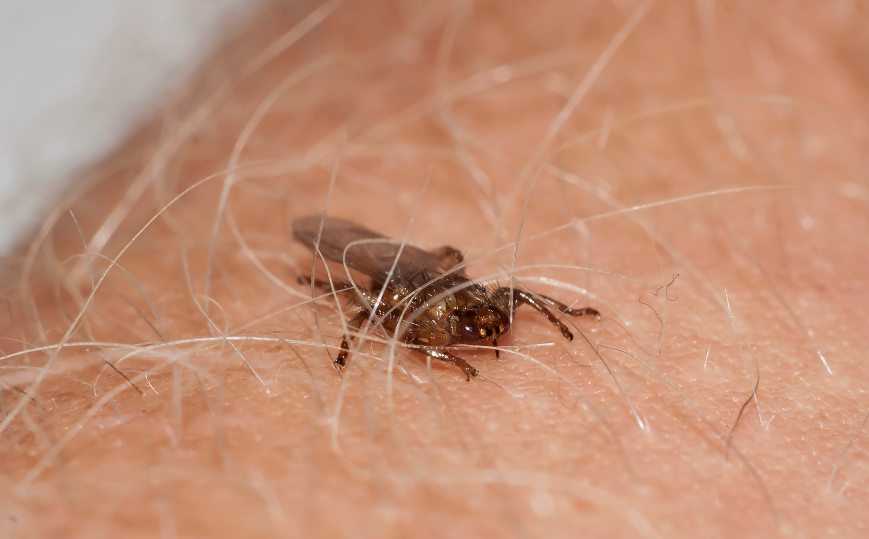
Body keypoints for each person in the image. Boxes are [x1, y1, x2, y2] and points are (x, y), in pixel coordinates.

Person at [3, 1, 868, 536]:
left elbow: (499, 291)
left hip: (424, 267)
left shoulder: (477, 296)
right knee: (359, 293)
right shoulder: (409, 308)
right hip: (386, 270)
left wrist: (552, 315)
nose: (490, 327)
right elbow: (386, 309)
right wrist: (429, 348)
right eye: (477, 324)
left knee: (441, 276)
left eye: (483, 321)